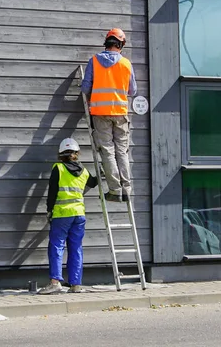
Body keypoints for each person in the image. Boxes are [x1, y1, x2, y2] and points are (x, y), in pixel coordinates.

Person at [81, 28, 137, 203]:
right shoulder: (126, 64)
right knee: (121, 151)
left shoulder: (94, 61)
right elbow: (133, 90)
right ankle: (126, 190)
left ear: (107, 42)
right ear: (121, 44)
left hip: (100, 113)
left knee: (107, 151)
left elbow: (85, 88)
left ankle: (115, 190)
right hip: (120, 113)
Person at [38, 138, 98, 295]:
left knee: (57, 246)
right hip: (79, 214)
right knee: (76, 248)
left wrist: (49, 210)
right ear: (76, 153)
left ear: (61, 154)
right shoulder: (84, 171)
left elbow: (52, 192)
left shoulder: (58, 168)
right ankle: (76, 284)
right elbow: (93, 182)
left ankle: (55, 282)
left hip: (62, 214)